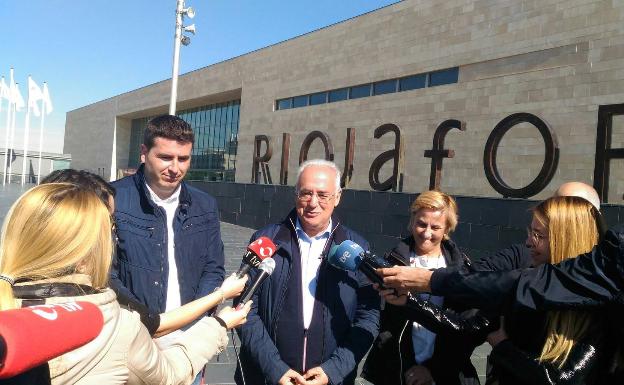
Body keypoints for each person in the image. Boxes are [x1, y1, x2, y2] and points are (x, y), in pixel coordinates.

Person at [0, 183, 252, 384]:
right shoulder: (115, 325)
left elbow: (212, 265)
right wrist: (219, 322)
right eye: (111, 229)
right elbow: (168, 374)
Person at [379, 196, 608, 384]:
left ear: (565, 241)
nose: (528, 242)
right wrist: (409, 303)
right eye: (530, 231)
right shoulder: (527, 278)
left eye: (539, 235)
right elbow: (467, 327)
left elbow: (562, 379)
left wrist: (503, 347)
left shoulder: (598, 308)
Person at [41, 168, 246, 338]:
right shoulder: (96, 304)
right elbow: (156, 330)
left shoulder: (18, 292)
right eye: (110, 223)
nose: (113, 234)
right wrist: (220, 313)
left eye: (183, 158)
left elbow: (213, 265)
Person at [235, 159, 380, 385]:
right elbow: (244, 308)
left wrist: (333, 370)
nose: (313, 203)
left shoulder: (357, 248)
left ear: (338, 197)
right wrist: (275, 369)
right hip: (267, 377)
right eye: (306, 193)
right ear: (296, 195)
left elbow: (369, 316)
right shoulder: (265, 240)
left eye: (323, 195)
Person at [110, 115, 225, 341]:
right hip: (133, 336)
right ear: (144, 152)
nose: (175, 168)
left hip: (189, 336)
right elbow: (106, 275)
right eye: (165, 157)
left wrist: (193, 320)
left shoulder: (206, 205)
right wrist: (149, 321)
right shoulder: (112, 199)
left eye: (183, 159)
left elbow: (214, 269)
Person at [361, 190, 483, 385]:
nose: (426, 233)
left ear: (447, 229)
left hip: (447, 374)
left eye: (435, 227)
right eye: (421, 224)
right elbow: (381, 321)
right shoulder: (391, 263)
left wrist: (433, 369)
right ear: (412, 221)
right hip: (398, 371)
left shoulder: (461, 269)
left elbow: (467, 331)